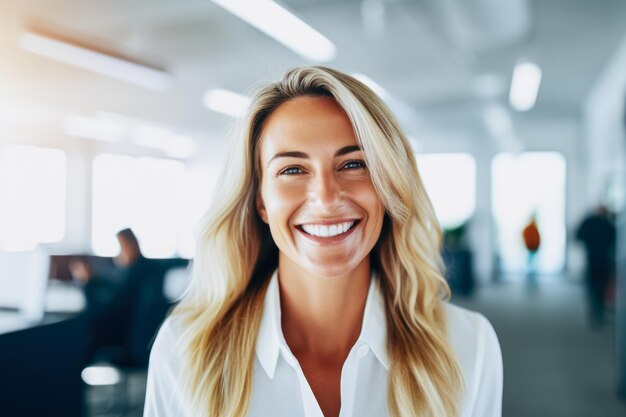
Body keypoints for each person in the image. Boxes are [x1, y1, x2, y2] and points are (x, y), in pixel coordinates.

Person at [144, 67, 503, 417]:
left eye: (353, 164)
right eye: (292, 170)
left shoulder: (469, 345)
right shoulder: (184, 350)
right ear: (261, 202)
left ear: (387, 187)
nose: (327, 198)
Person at [575, 205, 616, 329]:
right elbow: (615, 241)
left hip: (592, 259)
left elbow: (578, 236)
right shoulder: (608, 224)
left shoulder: (589, 222)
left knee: (592, 286)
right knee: (600, 286)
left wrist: (589, 243)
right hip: (604, 259)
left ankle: (594, 312)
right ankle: (598, 311)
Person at [522, 213, 541, 289]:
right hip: (531, 248)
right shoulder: (531, 228)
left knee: (531, 264)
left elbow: (538, 238)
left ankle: (531, 278)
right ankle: (530, 278)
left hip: (532, 248)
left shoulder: (533, 228)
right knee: (531, 264)